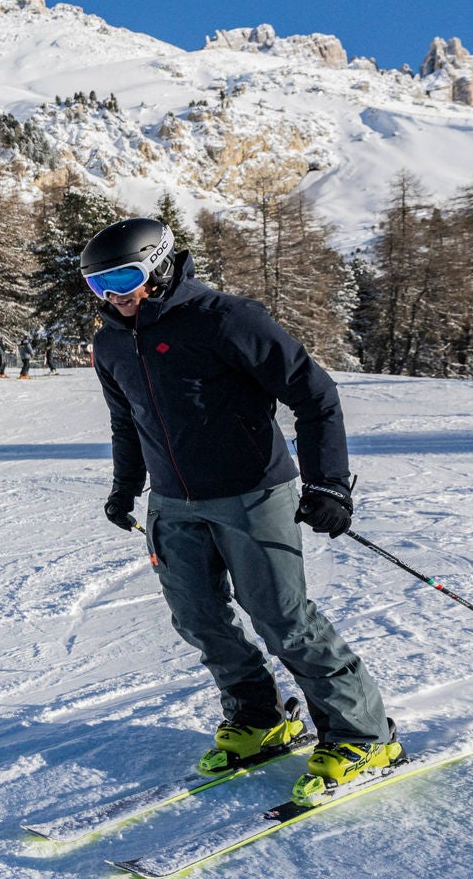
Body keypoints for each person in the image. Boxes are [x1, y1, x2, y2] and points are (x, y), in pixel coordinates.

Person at [82, 217, 401, 802]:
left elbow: (316, 395)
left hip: (253, 493)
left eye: (124, 277)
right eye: (98, 285)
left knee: (282, 618)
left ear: (158, 263)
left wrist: (329, 483)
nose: (114, 296)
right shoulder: (111, 343)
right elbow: (127, 420)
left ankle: (364, 733)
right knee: (198, 619)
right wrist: (125, 488)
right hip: (173, 502)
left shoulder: (227, 319)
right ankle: (259, 719)